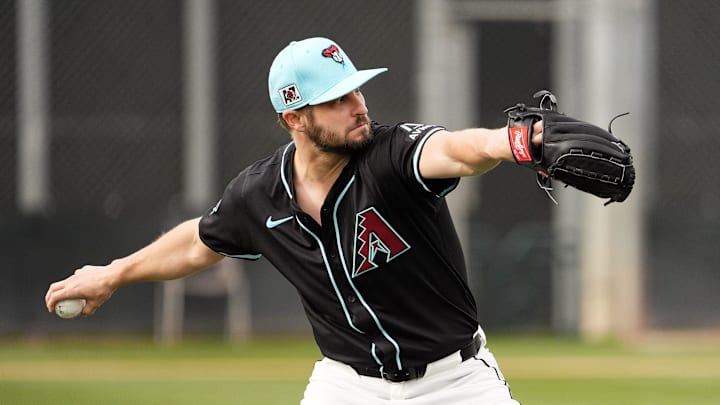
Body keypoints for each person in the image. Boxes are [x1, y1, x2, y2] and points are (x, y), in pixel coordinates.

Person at [46, 37, 542, 404]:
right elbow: (198, 243)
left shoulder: (393, 156)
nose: (358, 107)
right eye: (336, 100)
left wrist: (515, 142)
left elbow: (460, 150)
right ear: (294, 118)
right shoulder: (260, 194)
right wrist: (110, 274)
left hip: (454, 382)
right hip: (346, 385)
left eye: (356, 91)